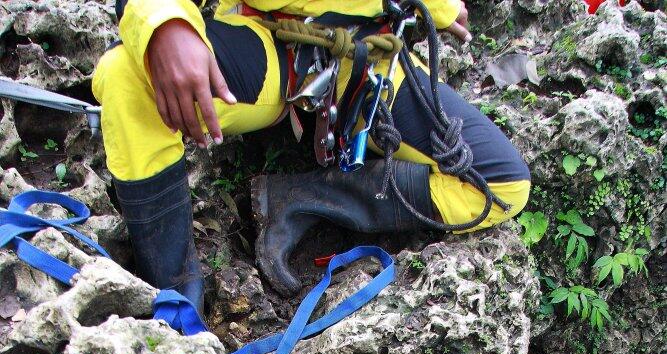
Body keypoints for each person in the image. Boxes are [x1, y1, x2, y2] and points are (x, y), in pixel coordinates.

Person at [93, 1, 531, 315]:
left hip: (367, 57)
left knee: (497, 187)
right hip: (265, 37)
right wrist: (165, 21)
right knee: (127, 78)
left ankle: (298, 199)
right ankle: (174, 296)